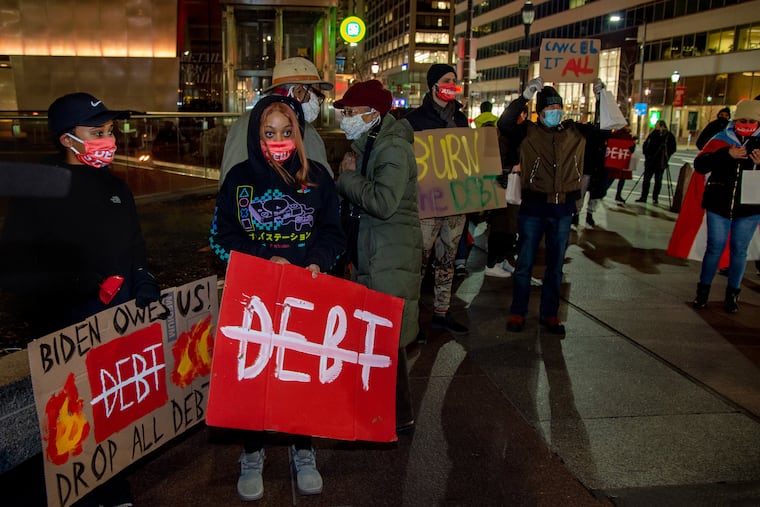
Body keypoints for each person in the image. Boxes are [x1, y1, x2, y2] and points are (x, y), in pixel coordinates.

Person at [1, 92, 161, 507]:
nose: (108, 140)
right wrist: (80, 282)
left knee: (113, 411)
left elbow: (134, 247)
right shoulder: (37, 188)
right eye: (97, 133)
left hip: (116, 326)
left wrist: (142, 278)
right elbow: (16, 268)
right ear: (66, 139)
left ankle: (113, 482)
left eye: (109, 132)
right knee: (72, 418)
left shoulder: (116, 188)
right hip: (64, 327)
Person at [209, 95, 345, 501]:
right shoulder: (238, 180)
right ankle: (252, 452)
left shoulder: (318, 177)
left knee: (300, 374)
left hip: (306, 294)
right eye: (270, 133)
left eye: (287, 132)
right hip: (255, 296)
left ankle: (304, 448)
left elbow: (334, 233)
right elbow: (220, 238)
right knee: (255, 375)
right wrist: (263, 260)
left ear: (299, 135)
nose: (279, 140)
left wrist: (318, 262)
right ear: (256, 136)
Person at [333, 79, 422, 434]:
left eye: (351, 112)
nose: (346, 118)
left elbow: (383, 203)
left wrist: (347, 179)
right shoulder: (371, 142)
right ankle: (388, 415)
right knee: (381, 337)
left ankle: (398, 418)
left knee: (387, 339)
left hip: (388, 253)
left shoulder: (392, 148)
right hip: (377, 250)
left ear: (373, 113)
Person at [497, 77, 607, 335]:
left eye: (557, 109)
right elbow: (505, 123)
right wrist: (524, 96)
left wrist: (602, 98)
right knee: (524, 264)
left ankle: (550, 315)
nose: (554, 113)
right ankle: (518, 312)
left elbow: (604, 128)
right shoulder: (529, 132)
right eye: (548, 109)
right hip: (534, 206)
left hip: (562, 209)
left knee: (555, 267)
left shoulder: (574, 132)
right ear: (540, 111)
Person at [403, 63, 469, 335]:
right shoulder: (414, 120)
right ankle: (412, 320)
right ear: (433, 85)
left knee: (447, 260)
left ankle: (442, 312)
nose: (452, 84)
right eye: (447, 80)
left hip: (455, 201)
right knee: (419, 261)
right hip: (426, 202)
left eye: (455, 79)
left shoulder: (462, 119)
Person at [219, 57, 334, 184]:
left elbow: (227, 177)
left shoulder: (242, 122)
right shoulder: (302, 129)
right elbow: (322, 182)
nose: (316, 101)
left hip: (243, 201)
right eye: (315, 94)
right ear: (298, 91)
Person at [692, 99, 760, 313]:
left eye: (752, 121)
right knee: (715, 247)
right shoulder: (720, 139)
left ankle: (732, 295)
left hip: (749, 205)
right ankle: (702, 293)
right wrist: (725, 155)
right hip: (718, 202)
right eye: (742, 120)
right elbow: (700, 165)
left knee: (739, 251)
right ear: (735, 120)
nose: (747, 124)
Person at [484, 104, 526, 278]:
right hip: (501, 186)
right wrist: (510, 169)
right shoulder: (501, 137)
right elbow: (494, 162)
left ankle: (501, 260)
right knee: (500, 226)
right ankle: (492, 262)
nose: (523, 117)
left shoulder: (516, 135)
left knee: (510, 227)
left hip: (512, 186)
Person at [636, 120, 676, 204]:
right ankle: (644, 196)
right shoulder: (653, 134)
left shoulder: (668, 135)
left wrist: (666, 156)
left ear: (662, 126)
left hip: (660, 162)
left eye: (657, 125)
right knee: (646, 179)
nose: (656, 127)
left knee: (658, 180)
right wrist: (646, 154)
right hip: (650, 161)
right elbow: (646, 144)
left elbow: (672, 148)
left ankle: (655, 197)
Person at [605, 125, 637, 202]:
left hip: (618, 159)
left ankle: (605, 191)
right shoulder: (627, 137)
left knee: (613, 177)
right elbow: (632, 149)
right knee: (618, 178)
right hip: (622, 159)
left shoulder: (616, 135)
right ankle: (617, 194)